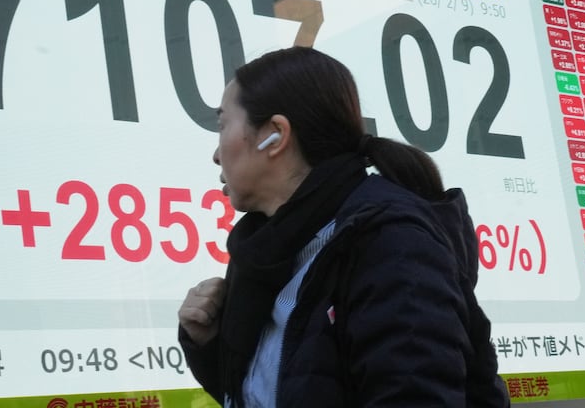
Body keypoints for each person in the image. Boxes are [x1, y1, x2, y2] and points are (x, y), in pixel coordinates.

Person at [178, 46, 509, 407]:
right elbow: (288, 386)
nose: (216, 153)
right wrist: (208, 343)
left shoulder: (391, 244)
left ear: (274, 135)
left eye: (223, 124)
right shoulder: (275, 248)